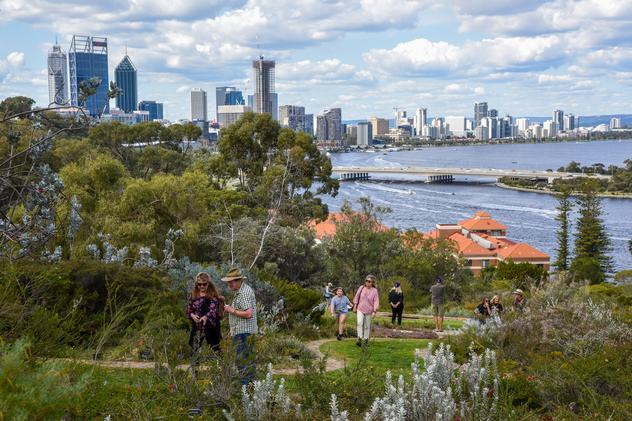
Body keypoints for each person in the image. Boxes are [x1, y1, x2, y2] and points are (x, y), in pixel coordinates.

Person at [222, 267, 257, 385]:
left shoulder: (244, 293)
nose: (229, 284)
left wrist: (231, 310)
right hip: (242, 331)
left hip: (244, 333)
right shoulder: (241, 291)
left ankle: (246, 389)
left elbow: (248, 313)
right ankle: (250, 388)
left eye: (231, 282)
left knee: (242, 361)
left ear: (238, 281)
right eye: (228, 281)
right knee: (246, 360)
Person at [187, 272, 223, 356]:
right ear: (197, 284)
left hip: (210, 326)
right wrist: (192, 315)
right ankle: (195, 367)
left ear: (208, 284)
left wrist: (205, 317)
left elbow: (213, 310)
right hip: (197, 326)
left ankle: (221, 366)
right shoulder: (193, 296)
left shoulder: (213, 296)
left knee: (216, 347)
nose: (202, 286)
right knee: (194, 348)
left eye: (204, 284)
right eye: (199, 284)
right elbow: (189, 309)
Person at [353, 274, 379, 347]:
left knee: (367, 326)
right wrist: (355, 306)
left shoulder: (375, 291)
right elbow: (356, 296)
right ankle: (359, 338)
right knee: (359, 322)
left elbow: (376, 301)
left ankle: (366, 339)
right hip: (360, 309)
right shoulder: (361, 288)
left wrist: (374, 311)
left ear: (372, 282)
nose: (367, 282)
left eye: (369, 281)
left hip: (369, 311)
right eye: (366, 281)